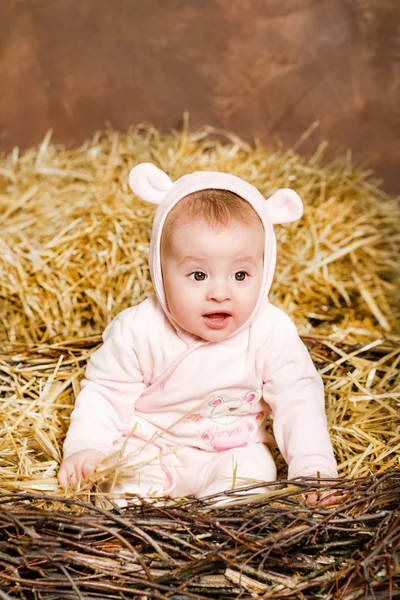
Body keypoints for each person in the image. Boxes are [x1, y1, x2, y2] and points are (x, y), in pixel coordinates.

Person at [58, 163, 338, 505]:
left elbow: (299, 399)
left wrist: (313, 465)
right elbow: (105, 393)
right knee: (121, 475)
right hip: (150, 447)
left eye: (240, 275)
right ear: (161, 273)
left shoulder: (271, 331)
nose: (220, 293)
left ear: (264, 272)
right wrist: (86, 446)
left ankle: (220, 525)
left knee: (254, 472)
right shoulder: (138, 329)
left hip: (231, 448)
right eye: (198, 275)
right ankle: (136, 528)